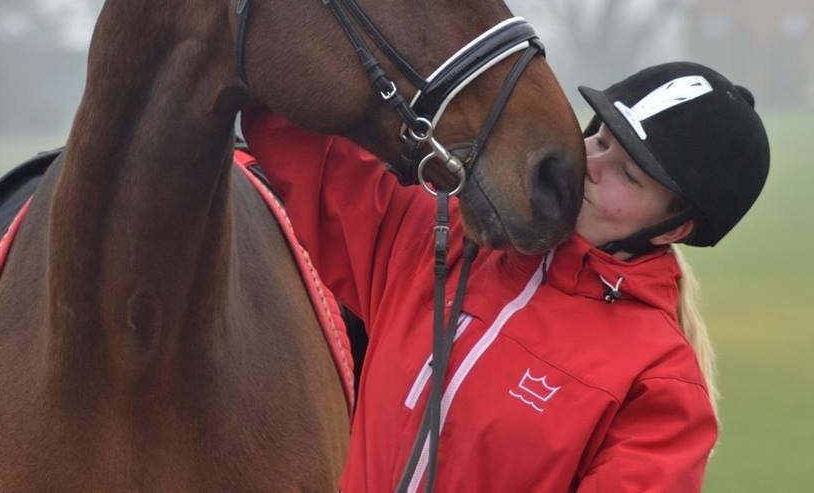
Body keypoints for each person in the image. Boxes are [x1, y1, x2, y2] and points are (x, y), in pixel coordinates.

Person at [240, 61, 769, 492]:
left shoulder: (659, 385)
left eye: (628, 173)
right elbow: (306, 149)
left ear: (672, 229)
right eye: (600, 138)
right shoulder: (446, 236)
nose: (592, 163)